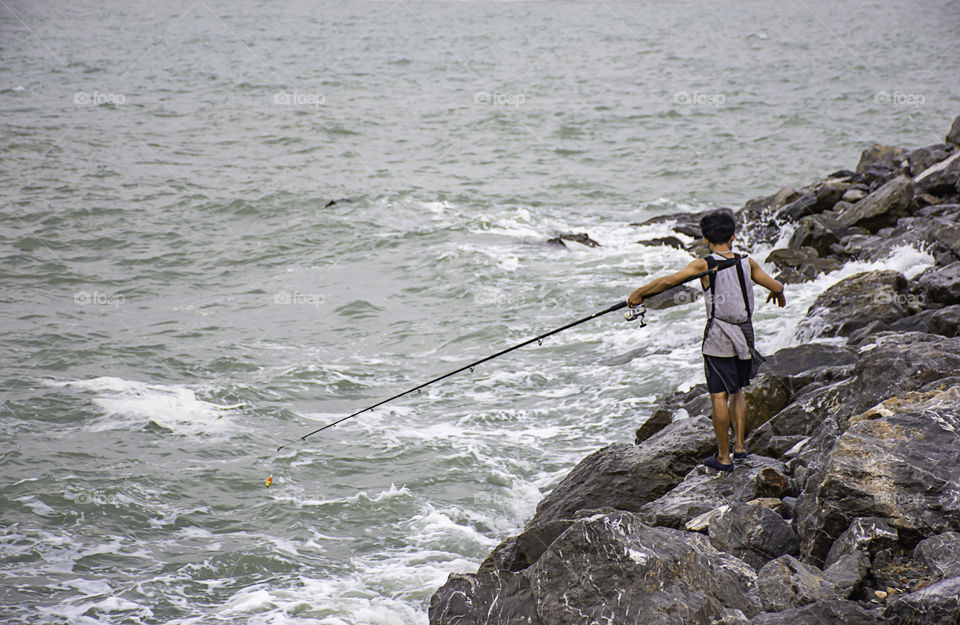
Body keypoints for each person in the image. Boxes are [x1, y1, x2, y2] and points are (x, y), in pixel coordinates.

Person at [627, 210, 786, 471]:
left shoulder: (705, 265)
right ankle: (740, 448)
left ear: (705, 240)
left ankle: (724, 458)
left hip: (719, 338)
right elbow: (776, 286)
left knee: (718, 395)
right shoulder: (748, 262)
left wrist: (639, 293)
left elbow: (669, 281)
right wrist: (778, 294)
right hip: (745, 337)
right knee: (738, 392)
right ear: (733, 236)